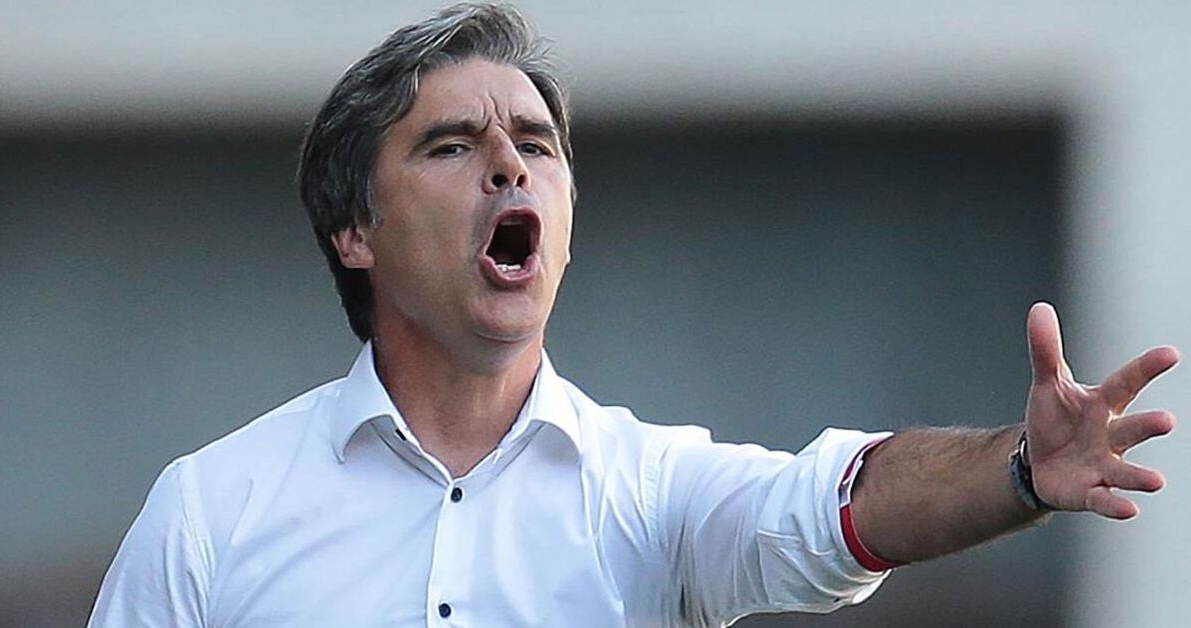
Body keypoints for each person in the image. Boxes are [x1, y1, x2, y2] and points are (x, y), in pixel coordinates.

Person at [87, 4, 1180, 627]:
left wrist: (1017, 471)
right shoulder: (211, 514)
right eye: (452, 145)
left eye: (536, 144)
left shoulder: (654, 495)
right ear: (354, 231)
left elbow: (832, 504)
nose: (509, 163)